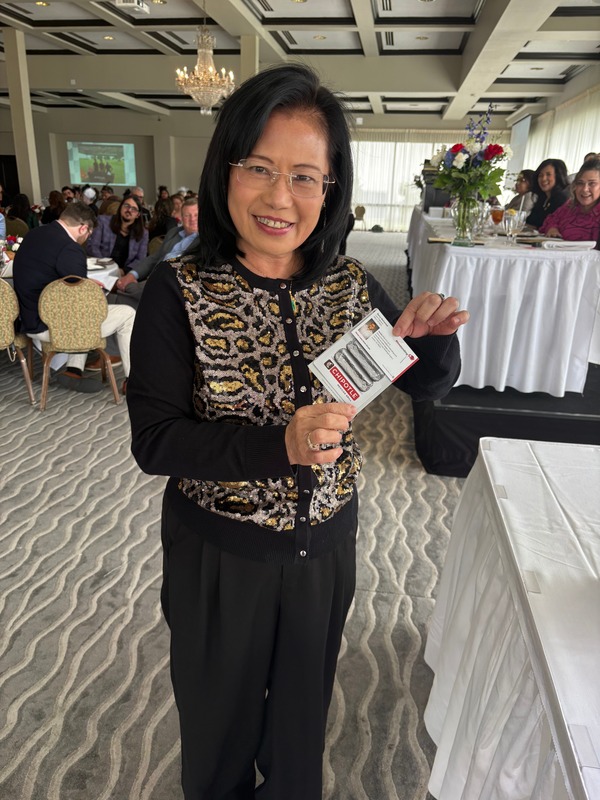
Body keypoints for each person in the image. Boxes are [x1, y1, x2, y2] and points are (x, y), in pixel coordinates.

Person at [126, 64, 468, 800]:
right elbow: (155, 441)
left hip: (325, 551)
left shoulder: (348, 284)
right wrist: (276, 447)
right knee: (219, 733)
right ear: (225, 168)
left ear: (331, 189)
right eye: (259, 167)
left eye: (305, 177)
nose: (280, 197)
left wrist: (435, 341)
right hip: (221, 555)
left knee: (299, 730)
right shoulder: (178, 292)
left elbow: (423, 384)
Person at [12, 202, 134, 395]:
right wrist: (94, 291)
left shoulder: (34, 234)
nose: (86, 239)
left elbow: (49, 276)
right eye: (88, 234)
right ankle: (132, 382)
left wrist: (85, 284)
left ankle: (74, 370)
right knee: (127, 314)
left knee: (82, 308)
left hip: (29, 318)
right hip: (55, 327)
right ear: (83, 228)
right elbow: (82, 300)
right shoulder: (70, 249)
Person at [111, 198, 198, 308]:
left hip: (173, 283)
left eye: (196, 215)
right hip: (154, 278)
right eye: (187, 215)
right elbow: (154, 258)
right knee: (126, 286)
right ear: (181, 217)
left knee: (125, 291)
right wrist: (132, 274)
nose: (192, 219)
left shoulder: (205, 240)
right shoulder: (174, 233)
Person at [540, 157, 600, 242]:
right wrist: (552, 228)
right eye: (580, 183)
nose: (585, 189)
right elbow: (551, 220)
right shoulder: (569, 207)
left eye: (592, 184)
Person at [86, 195, 149, 273]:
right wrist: (106, 268)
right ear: (120, 207)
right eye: (126, 206)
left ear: (138, 215)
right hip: (101, 269)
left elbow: (140, 259)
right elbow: (92, 247)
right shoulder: (102, 221)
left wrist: (123, 271)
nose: (129, 210)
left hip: (126, 273)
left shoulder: (143, 233)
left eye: (134, 209)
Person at [525, 158, 570, 229]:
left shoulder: (561, 199)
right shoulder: (543, 198)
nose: (543, 179)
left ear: (558, 176)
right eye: (540, 175)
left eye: (548, 174)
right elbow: (530, 222)